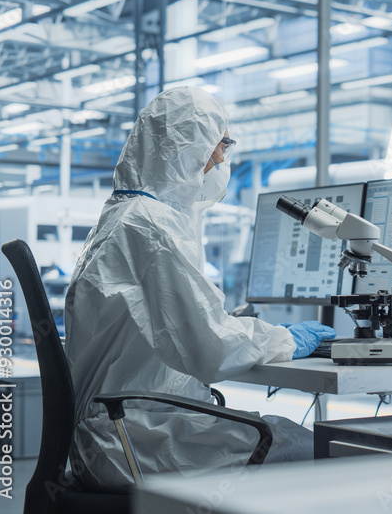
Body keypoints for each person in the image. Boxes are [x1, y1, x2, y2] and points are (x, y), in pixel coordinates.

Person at [64, 87, 334, 490]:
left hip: (122, 429)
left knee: (289, 438)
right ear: (186, 148)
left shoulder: (126, 215)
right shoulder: (149, 226)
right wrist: (287, 339)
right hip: (132, 440)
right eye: (220, 144)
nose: (223, 159)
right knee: (324, 452)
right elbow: (212, 348)